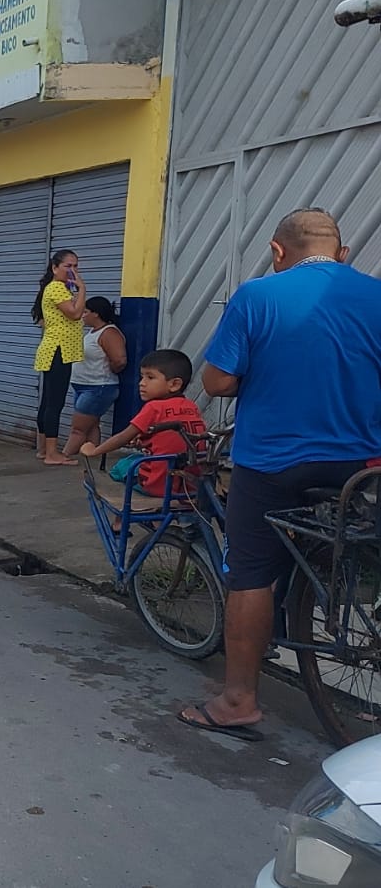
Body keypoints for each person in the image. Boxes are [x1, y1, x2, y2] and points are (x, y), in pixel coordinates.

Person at [180, 207, 381, 741]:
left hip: (271, 462)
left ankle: (237, 701)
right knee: (351, 542)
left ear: (276, 251)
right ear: (342, 253)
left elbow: (218, 381)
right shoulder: (376, 296)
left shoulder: (256, 296)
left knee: (250, 573)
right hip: (360, 466)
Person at [79, 349, 205, 498]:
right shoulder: (191, 406)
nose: (141, 383)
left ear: (174, 384)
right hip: (190, 485)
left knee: (121, 468)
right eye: (142, 377)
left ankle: (120, 519)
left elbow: (122, 438)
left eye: (150, 377)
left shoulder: (154, 408)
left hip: (157, 485)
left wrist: (95, 451)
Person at [32, 249, 88, 465]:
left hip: (56, 350)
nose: (73, 271)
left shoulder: (58, 288)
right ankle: (52, 453)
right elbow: (74, 313)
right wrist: (82, 288)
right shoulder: (56, 288)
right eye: (68, 266)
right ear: (55, 268)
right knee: (54, 402)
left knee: (47, 401)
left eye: (76, 266)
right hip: (59, 351)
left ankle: (43, 449)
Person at [62, 296, 127, 459]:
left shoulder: (109, 332)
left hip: (98, 387)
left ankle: (65, 456)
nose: (82, 315)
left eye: (85, 312)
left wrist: (109, 369)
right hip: (83, 385)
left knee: (78, 429)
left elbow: (119, 359)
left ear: (96, 314)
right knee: (91, 426)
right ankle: (92, 458)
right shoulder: (93, 332)